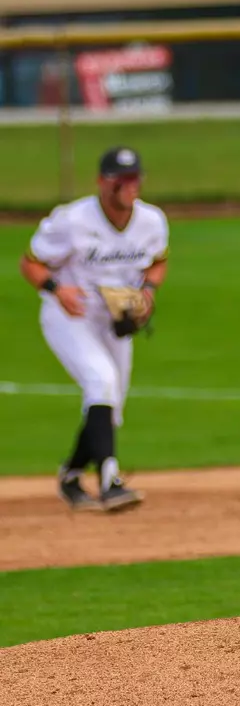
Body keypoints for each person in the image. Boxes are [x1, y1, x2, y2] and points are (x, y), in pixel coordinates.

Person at [19, 147, 169, 511]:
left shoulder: (152, 221)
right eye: (122, 179)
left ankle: (71, 475)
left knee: (110, 407)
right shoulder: (72, 220)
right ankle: (110, 480)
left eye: (135, 178)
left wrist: (147, 292)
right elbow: (31, 263)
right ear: (103, 182)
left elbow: (158, 263)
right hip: (70, 316)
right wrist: (56, 289)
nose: (131, 186)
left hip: (115, 321)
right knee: (100, 381)